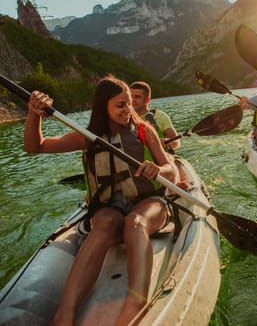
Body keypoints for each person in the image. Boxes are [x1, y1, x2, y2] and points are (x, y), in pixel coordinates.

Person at [24, 75, 179, 326]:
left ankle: (137, 301)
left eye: (129, 103)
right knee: (104, 224)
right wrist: (35, 115)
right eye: (120, 105)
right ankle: (65, 313)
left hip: (147, 204)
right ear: (103, 107)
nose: (128, 110)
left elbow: (173, 169)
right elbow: (36, 146)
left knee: (135, 221)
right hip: (110, 208)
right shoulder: (88, 137)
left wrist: (159, 171)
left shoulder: (144, 130)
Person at [130, 81, 181, 152]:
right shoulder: (125, 118)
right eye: (130, 96)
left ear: (147, 100)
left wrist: (168, 141)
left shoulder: (160, 116)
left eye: (137, 97)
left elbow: (177, 142)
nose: (133, 100)